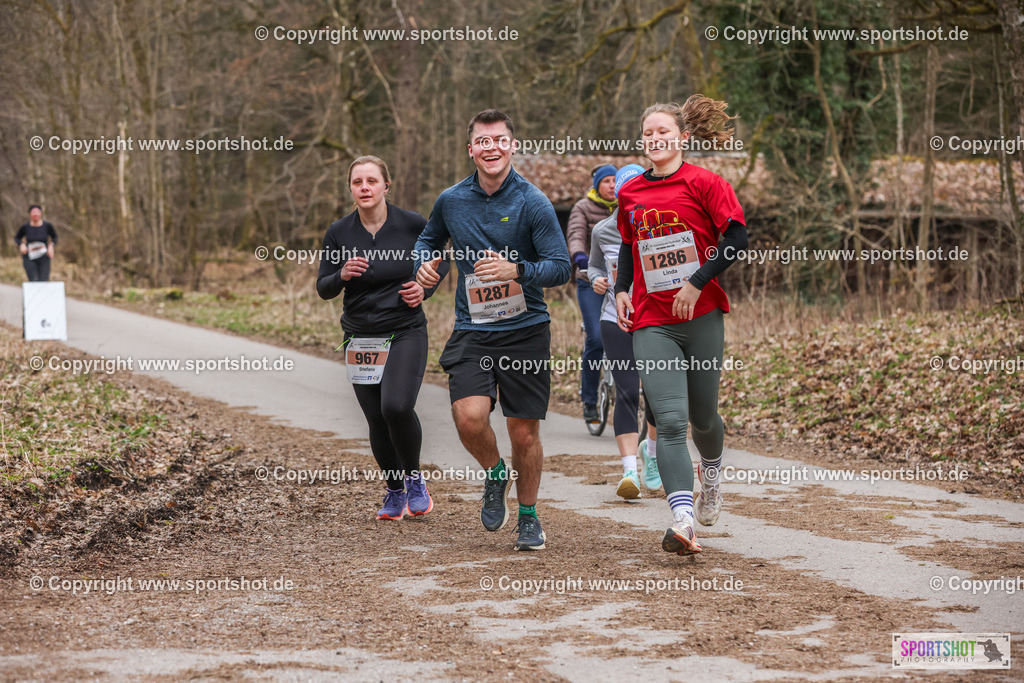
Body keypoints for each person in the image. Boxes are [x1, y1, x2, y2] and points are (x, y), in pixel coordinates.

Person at [414, 109, 571, 551]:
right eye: (483, 141)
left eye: (499, 140)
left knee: (524, 433)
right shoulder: (451, 200)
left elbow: (560, 268)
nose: (492, 148)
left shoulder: (533, 201)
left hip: (525, 330)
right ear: (471, 150)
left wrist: (516, 269)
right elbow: (428, 241)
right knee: (468, 416)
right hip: (474, 329)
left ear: (512, 145)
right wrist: (425, 266)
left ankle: (528, 516)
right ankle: (495, 472)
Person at [614, 96, 748, 555]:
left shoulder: (706, 183)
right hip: (653, 320)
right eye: (647, 134)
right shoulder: (629, 193)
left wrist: (695, 283)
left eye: (662, 132)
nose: (654, 139)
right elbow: (631, 250)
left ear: (682, 138)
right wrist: (620, 289)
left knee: (703, 417)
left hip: (701, 312)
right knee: (669, 421)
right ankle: (683, 520)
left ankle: (711, 470)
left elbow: (737, 237)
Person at [316, 155, 449, 521]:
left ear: (386, 186)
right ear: (351, 189)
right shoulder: (339, 232)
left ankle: (415, 480)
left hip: (405, 329)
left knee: (396, 407)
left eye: (371, 181)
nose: (365, 188)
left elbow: (440, 261)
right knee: (376, 418)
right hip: (359, 338)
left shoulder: (412, 224)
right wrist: (342, 274)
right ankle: (394, 491)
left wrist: (425, 289)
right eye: (357, 182)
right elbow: (323, 288)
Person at [587, 164, 661, 500]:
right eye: (624, 195)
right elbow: (594, 265)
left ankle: (654, 456)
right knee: (628, 391)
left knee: (657, 395)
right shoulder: (602, 230)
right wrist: (596, 279)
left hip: (657, 319)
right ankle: (630, 471)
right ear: (617, 196)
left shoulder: (660, 224)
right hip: (613, 317)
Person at [567, 164, 617, 425]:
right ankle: (589, 400)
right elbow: (576, 235)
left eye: (614, 180)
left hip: (622, 282)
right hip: (590, 281)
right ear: (597, 184)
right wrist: (582, 260)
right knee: (596, 339)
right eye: (606, 181)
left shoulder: (627, 205)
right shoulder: (583, 208)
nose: (611, 185)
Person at [15, 205, 58, 282]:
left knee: (43, 281)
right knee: (34, 280)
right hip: (29, 257)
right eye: (33, 212)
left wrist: (51, 245)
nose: (35, 214)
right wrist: (21, 244)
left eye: (37, 212)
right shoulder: (25, 227)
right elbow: (17, 238)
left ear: (40, 213)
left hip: (44, 257)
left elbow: (55, 237)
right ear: (30, 214)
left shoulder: (47, 226)